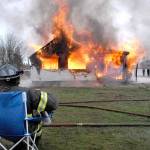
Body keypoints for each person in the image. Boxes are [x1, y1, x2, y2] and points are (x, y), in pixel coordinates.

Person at [0, 64, 59, 149]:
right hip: (24, 132)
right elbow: (53, 103)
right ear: (17, 79)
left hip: (2, 132)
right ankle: (29, 145)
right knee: (38, 122)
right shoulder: (28, 93)